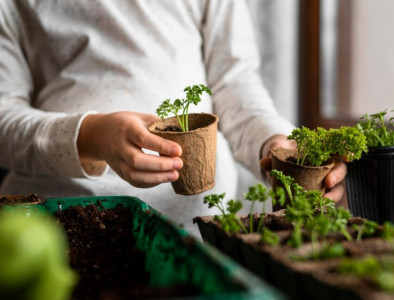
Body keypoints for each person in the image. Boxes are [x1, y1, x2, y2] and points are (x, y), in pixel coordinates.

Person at [0, 0, 346, 237]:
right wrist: (91, 136)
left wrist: (275, 144)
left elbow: (234, 83)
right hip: (56, 222)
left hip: (204, 228)